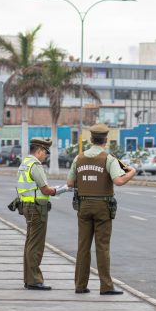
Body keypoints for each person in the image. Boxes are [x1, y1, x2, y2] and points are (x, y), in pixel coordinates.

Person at [66, 123, 136, 295]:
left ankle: (80, 285)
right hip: (102, 207)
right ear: (105, 141)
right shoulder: (109, 159)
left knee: (83, 246)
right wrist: (131, 172)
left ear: (91, 140)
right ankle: (106, 286)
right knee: (102, 247)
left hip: (83, 206)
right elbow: (118, 181)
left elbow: (69, 183)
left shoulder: (79, 158)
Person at [17, 138, 57, 290]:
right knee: (36, 245)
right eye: (45, 153)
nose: (45, 156)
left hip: (27, 207)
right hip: (37, 208)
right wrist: (61, 189)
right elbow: (45, 189)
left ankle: (29, 279)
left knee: (29, 243)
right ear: (39, 151)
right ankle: (34, 280)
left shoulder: (24, 163)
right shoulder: (35, 165)